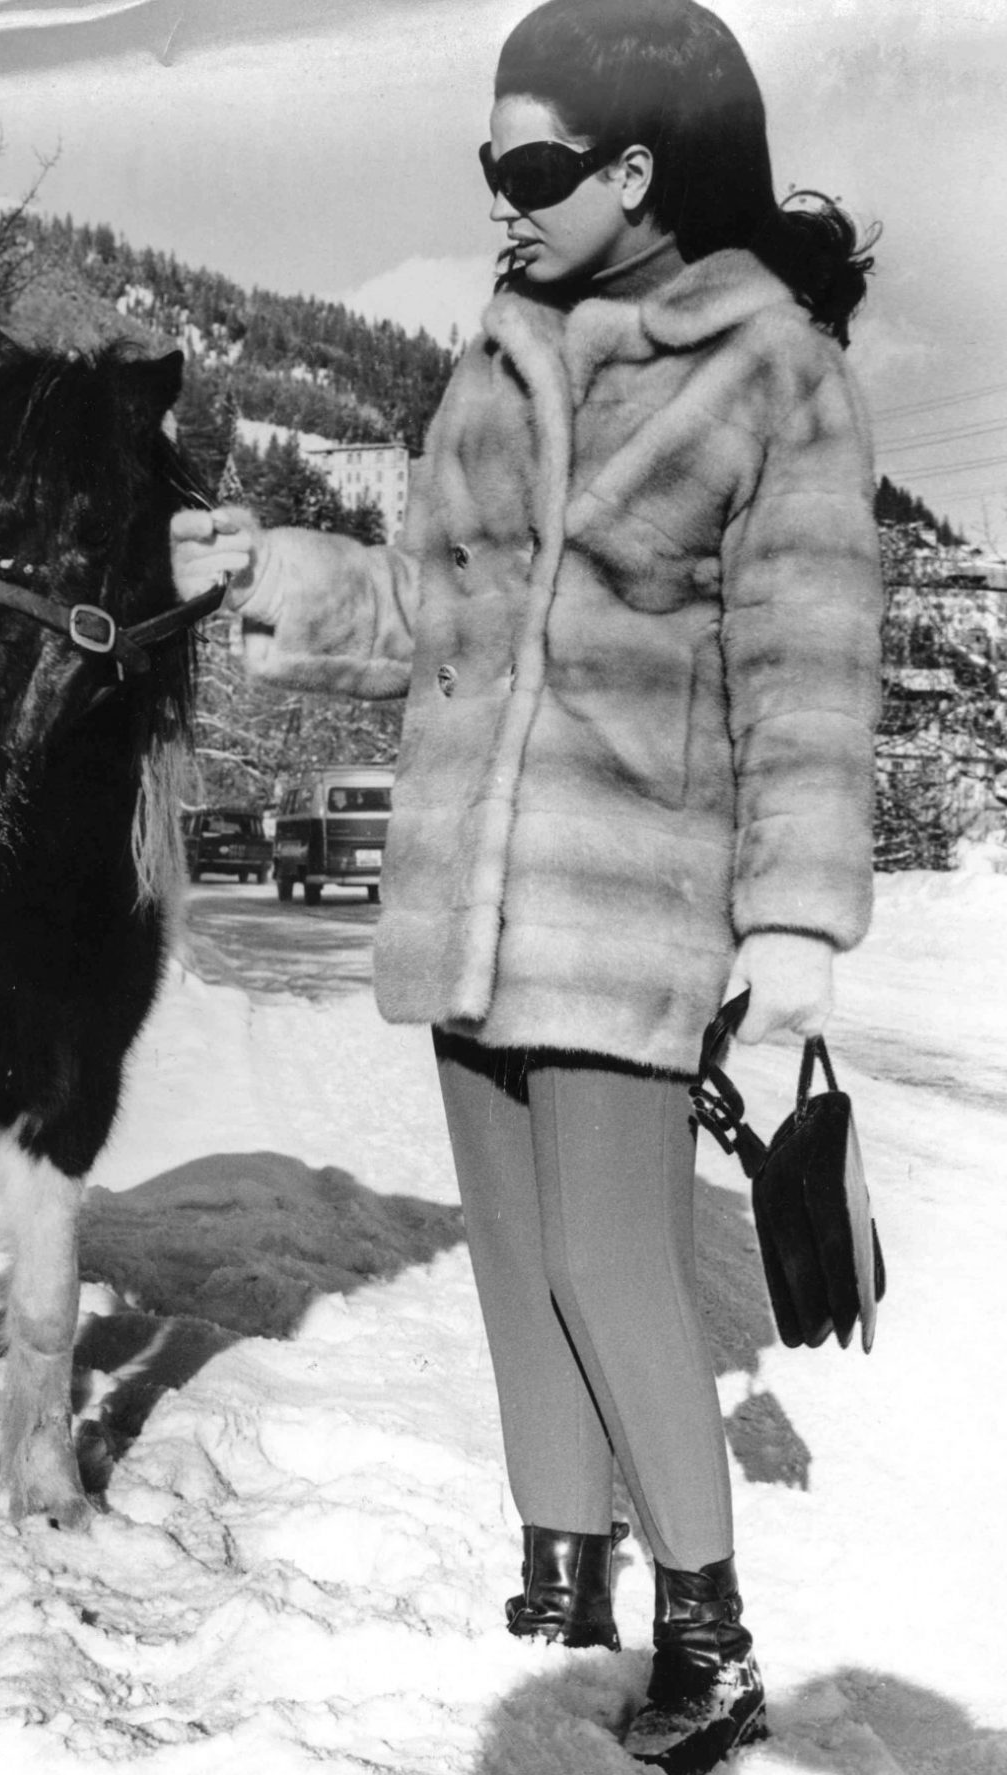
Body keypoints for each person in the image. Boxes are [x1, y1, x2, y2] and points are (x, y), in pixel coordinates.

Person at [171, 3, 883, 1767]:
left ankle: (708, 1643)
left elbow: (814, 672)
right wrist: (277, 571)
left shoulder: (774, 372)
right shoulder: (499, 354)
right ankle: (560, 1573)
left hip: (631, 889)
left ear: (641, 172)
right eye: (489, 164)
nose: (504, 195)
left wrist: (794, 921)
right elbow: (431, 612)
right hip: (464, 883)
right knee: (513, 1254)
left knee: (607, 1260)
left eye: (536, 165)